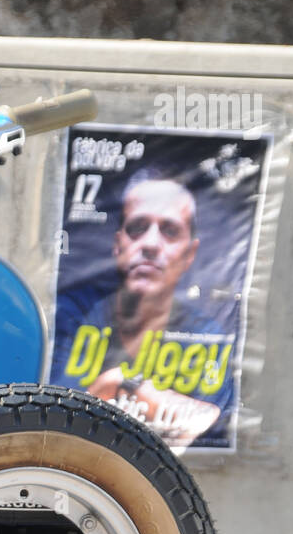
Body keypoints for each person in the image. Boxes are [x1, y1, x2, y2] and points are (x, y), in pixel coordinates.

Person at [51, 170, 235, 450]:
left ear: (189, 254)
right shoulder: (71, 315)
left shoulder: (207, 336)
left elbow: (211, 425)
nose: (150, 244)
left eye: (169, 231)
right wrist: (133, 387)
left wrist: (120, 384)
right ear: (118, 244)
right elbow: (56, 419)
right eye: (138, 227)